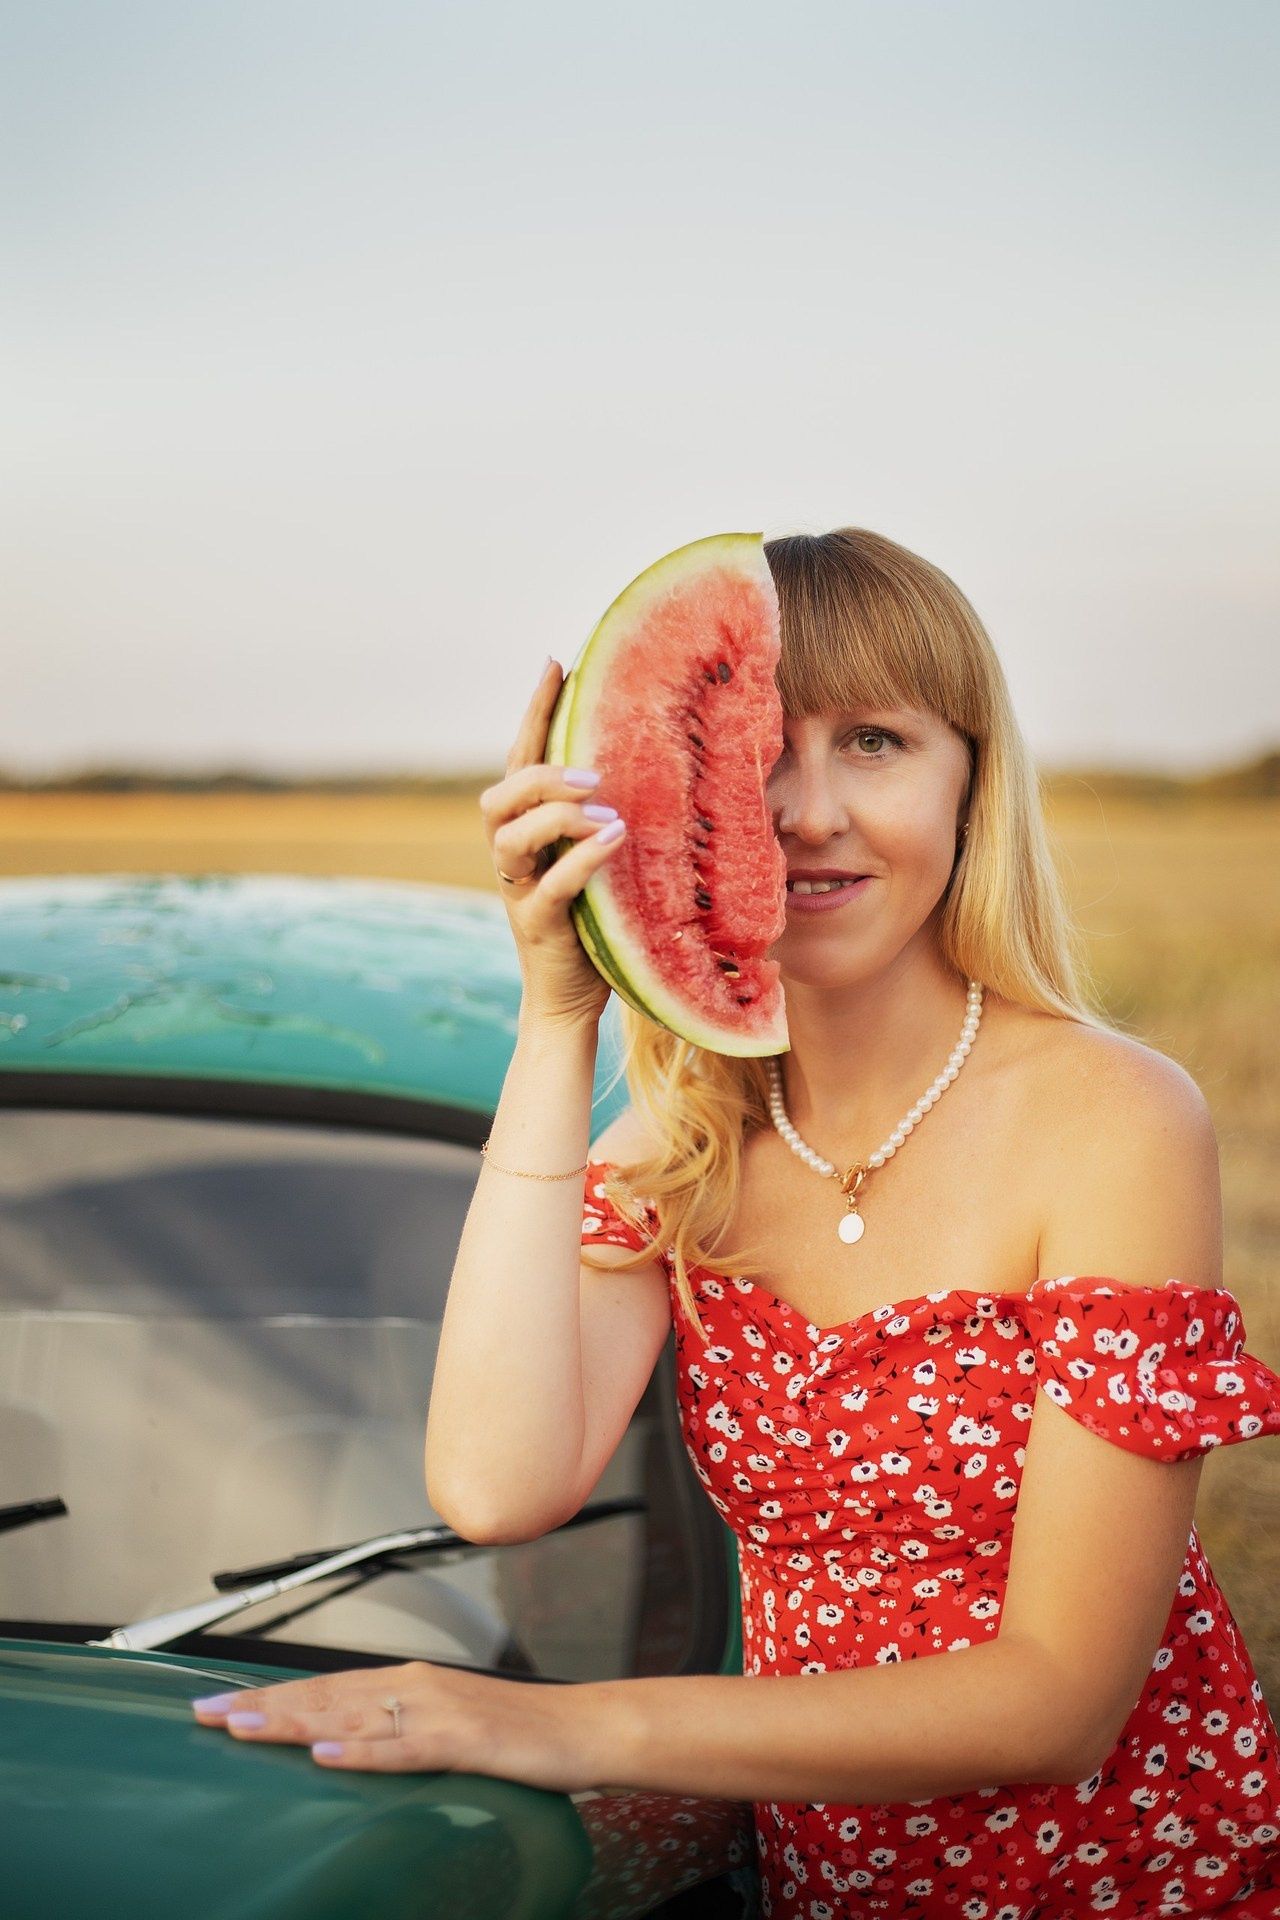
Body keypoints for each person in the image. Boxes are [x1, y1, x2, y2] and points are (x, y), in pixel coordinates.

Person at [193, 528, 1280, 1919]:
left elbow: (1059, 1696)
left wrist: (562, 1724)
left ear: (973, 782)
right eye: (754, 751)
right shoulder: (688, 1144)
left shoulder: (1115, 1117)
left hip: (1129, 1883)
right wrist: (555, 1016)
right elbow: (494, 1483)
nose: (808, 810)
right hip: (827, 1885)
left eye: (876, 742)